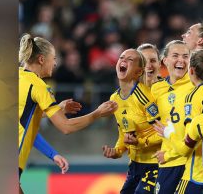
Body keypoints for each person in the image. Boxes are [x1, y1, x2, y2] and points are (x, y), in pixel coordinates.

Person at [18, 33, 118, 194]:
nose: (56, 63)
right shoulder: (38, 86)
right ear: (42, 60)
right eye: (54, 58)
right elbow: (66, 127)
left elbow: (25, 126)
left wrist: (52, 154)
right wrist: (97, 113)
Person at [154, 49, 203, 194]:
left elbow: (186, 147)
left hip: (197, 172)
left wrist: (168, 132)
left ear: (191, 71)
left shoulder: (193, 98)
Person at [102, 49, 161, 194]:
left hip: (154, 163)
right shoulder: (114, 99)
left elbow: (163, 132)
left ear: (138, 72)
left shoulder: (144, 97)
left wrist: (140, 142)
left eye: (130, 59)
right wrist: (117, 151)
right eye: (121, 57)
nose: (123, 60)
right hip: (135, 164)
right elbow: (124, 132)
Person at [151, 40, 194, 194]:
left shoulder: (197, 85)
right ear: (165, 60)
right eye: (175, 55)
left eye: (185, 56)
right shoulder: (156, 89)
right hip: (167, 163)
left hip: (191, 162)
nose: (181, 60)